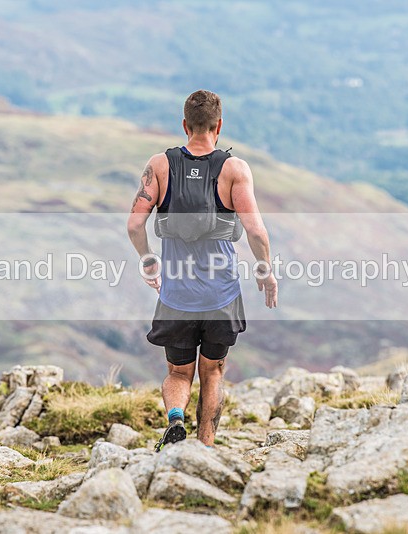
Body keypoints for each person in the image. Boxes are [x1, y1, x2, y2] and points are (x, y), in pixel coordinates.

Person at [127, 89, 277, 451]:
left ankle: (175, 419)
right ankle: (204, 448)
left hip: (176, 294)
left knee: (179, 372)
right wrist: (265, 270)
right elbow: (256, 230)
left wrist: (148, 259)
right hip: (221, 295)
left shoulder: (159, 166)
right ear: (218, 126)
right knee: (212, 372)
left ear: (185, 125)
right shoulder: (234, 170)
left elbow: (134, 224)